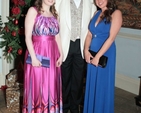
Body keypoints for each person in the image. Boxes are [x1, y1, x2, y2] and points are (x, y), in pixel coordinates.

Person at [55, 0, 96, 113]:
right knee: (64, 79)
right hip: (64, 45)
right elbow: (55, 23)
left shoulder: (91, 3)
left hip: (81, 46)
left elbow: (92, 27)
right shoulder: (59, 2)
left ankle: (74, 108)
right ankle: (64, 106)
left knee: (78, 80)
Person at [22, 0, 63, 112]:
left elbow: (57, 37)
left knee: (51, 86)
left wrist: (61, 54)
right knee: (38, 86)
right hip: (37, 53)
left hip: (53, 53)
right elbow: (27, 37)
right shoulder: (33, 11)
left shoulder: (55, 14)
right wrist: (33, 58)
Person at [83, 0, 122, 113]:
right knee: (92, 84)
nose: (99, 1)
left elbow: (111, 38)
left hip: (105, 54)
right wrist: (86, 50)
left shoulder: (116, 13)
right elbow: (89, 34)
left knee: (102, 85)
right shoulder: (96, 14)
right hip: (92, 53)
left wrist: (98, 56)